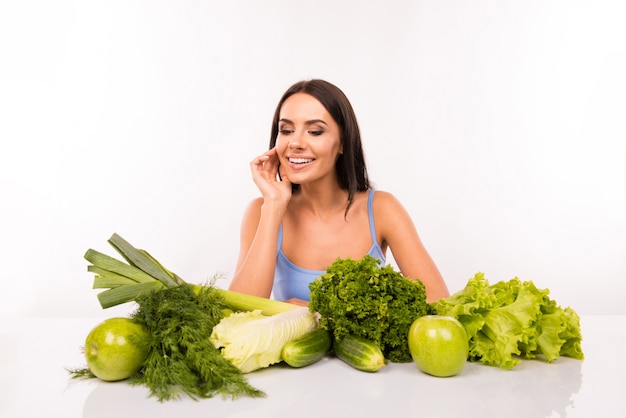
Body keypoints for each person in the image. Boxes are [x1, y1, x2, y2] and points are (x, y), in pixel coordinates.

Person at [229, 79, 449, 305]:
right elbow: (237, 312)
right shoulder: (261, 211)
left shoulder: (382, 209)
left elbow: (438, 303)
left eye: (314, 131)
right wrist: (273, 206)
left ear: (343, 142)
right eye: (286, 130)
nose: (295, 142)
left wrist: (314, 313)